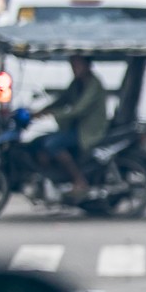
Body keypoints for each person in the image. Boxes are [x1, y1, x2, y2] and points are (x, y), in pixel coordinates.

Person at [35, 56, 109, 195]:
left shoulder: (93, 84)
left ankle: (79, 180)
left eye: (77, 65)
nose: (75, 69)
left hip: (88, 131)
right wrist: (40, 111)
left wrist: (52, 113)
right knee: (39, 142)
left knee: (52, 144)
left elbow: (79, 109)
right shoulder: (77, 83)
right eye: (73, 66)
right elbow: (63, 99)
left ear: (87, 65)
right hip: (76, 128)